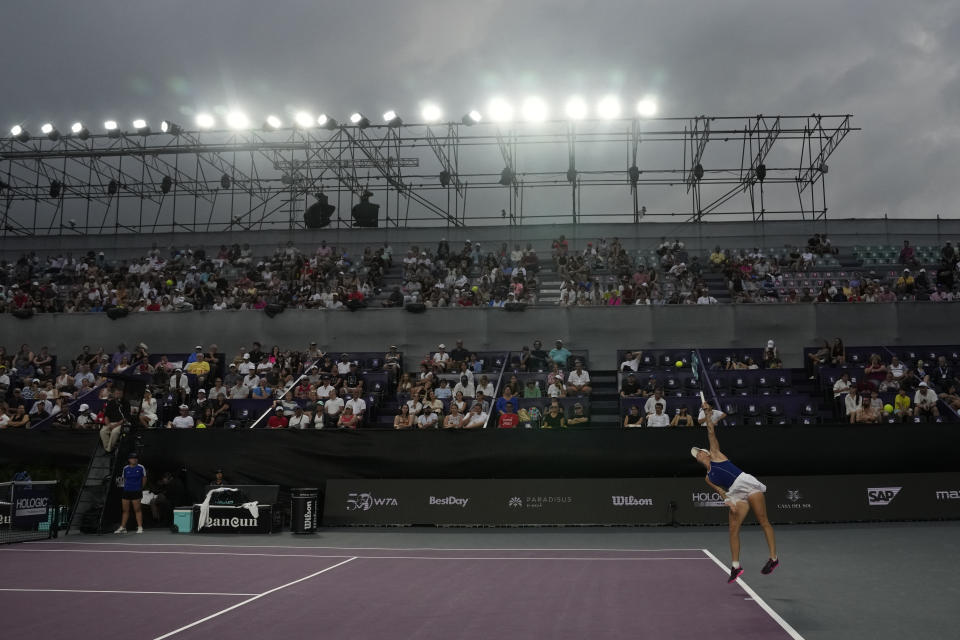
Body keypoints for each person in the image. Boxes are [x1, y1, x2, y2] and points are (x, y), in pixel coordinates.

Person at [693, 402, 778, 582]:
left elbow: (710, 431)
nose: (698, 455)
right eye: (696, 455)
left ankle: (773, 558)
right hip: (734, 493)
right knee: (732, 529)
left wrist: (707, 413)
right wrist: (729, 502)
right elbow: (722, 492)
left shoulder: (715, 453)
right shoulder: (708, 477)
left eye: (699, 452)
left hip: (745, 483)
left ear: (707, 453)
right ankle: (735, 566)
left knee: (763, 520)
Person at [115, 452, 146, 534]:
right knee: (125, 510)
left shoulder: (141, 467)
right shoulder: (125, 468)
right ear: (129, 460)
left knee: (137, 510)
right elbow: (122, 479)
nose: (134, 459)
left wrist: (140, 489)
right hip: (126, 492)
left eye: (135, 458)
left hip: (136, 491)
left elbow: (144, 479)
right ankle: (123, 527)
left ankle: (140, 527)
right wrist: (122, 489)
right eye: (132, 458)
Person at [100, 388, 126, 453]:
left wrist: (115, 425)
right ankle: (108, 448)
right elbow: (106, 416)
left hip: (120, 423)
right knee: (103, 431)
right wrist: (108, 425)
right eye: (117, 393)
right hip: (111, 423)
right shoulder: (111, 402)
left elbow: (125, 418)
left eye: (119, 394)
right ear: (114, 394)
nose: (118, 395)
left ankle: (108, 450)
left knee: (114, 432)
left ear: (122, 395)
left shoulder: (125, 403)